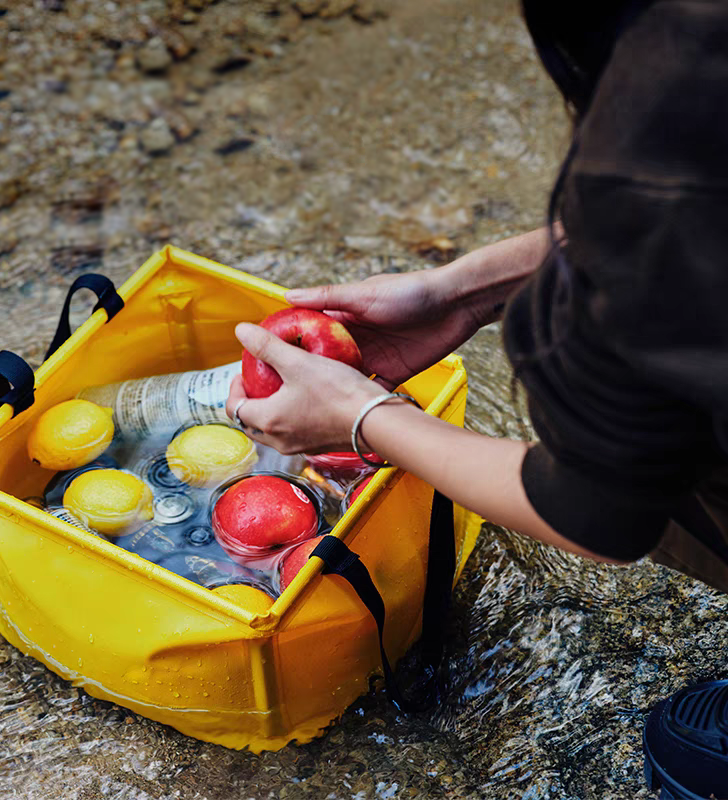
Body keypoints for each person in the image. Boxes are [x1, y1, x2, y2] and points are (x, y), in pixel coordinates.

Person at [226, 1, 728, 797]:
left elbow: (598, 510)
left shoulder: (655, 104)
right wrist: (460, 294)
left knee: (687, 753)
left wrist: (364, 418)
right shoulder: (692, 65)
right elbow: (684, 221)